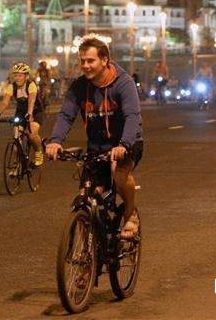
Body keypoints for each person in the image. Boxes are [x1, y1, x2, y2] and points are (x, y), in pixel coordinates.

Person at [46, 37, 144, 239]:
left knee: (119, 173)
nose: (85, 66)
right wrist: (56, 141)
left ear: (105, 60)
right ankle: (89, 250)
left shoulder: (123, 83)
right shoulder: (80, 87)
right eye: (82, 61)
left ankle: (130, 213)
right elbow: (66, 115)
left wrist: (124, 144)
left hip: (126, 142)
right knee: (88, 192)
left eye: (90, 61)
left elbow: (132, 116)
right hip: (97, 146)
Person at [0, 62, 44, 166]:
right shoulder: (12, 87)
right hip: (20, 112)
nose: (17, 78)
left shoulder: (31, 85)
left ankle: (38, 152)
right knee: (16, 137)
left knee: (32, 134)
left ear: (26, 76)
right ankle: (16, 163)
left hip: (35, 111)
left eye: (20, 75)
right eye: (15, 75)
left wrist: (29, 113)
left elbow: (31, 101)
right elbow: (5, 102)